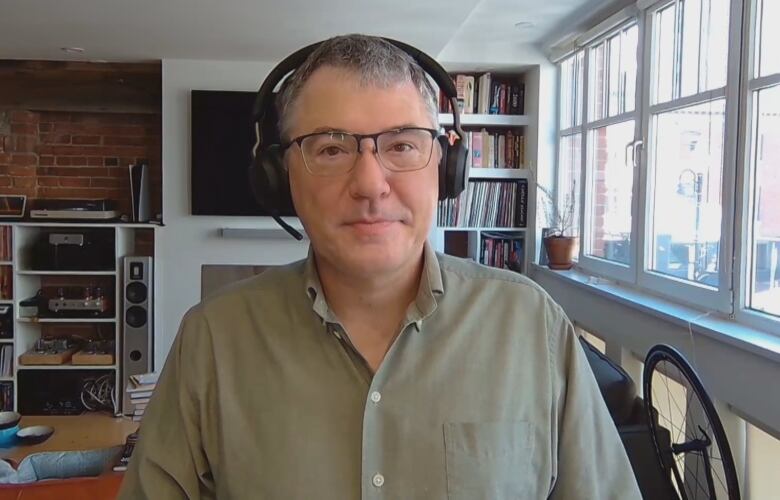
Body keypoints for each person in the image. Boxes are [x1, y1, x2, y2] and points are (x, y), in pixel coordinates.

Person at [118, 34, 642, 499]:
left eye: (401, 145)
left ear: (445, 168)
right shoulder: (213, 337)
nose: (370, 183)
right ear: (280, 179)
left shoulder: (531, 325)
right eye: (329, 149)